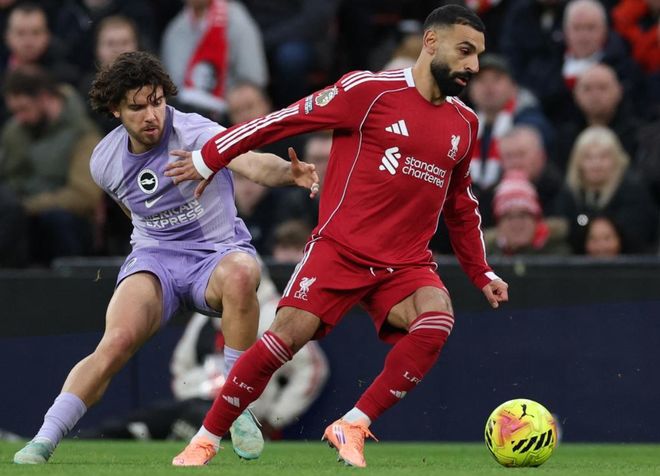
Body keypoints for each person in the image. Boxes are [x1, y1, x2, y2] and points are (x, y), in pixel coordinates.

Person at [166, 5, 509, 467]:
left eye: (478, 55)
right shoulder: (367, 91)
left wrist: (481, 271)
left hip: (405, 263)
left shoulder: (464, 124)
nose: (474, 65)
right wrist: (209, 157)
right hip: (340, 250)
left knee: (437, 320)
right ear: (431, 42)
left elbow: (462, 207)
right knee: (283, 341)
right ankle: (206, 438)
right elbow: (280, 121)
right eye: (465, 51)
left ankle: (354, 423)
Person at [12, 51, 319, 465]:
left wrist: (288, 173)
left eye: (156, 102)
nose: (151, 115)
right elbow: (133, 212)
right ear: (115, 110)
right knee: (115, 343)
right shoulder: (104, 161)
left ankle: (237, 404)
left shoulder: (196, 132)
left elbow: (250, 162)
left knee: (244, 272)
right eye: (137, 107)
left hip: (215, 255)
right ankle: (43, 440)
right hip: (156, 258)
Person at [0, 65, 103, 265]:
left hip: (66, 222)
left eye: (24, 109)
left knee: (55, 219)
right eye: (14, 111)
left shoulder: (83, 134)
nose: (19, 118)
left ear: (45, 98)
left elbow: (84, 196)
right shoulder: (14, 131)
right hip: (19, 218)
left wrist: (27, 207)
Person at [553, 125, 658, 253]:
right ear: (578, 162)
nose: (596, 164)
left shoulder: (633, 191)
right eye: (588, 157)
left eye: (603, 157)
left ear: (616, 160)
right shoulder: (570, 193)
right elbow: (570, 227)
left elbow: (638, 233)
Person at [161, 0, 268, 118]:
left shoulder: (235, 16)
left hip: (231, 104)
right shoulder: (175, 30)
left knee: (248, 98)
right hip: (192, 110)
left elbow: (253, 75)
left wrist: (234, 97)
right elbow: (175, 87)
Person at [483, 172, 570, 256]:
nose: (516, 223)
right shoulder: (484, 257)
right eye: (509, 217)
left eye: (523, 215)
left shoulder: (559, 255)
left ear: (536, 219)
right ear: (499, 224)